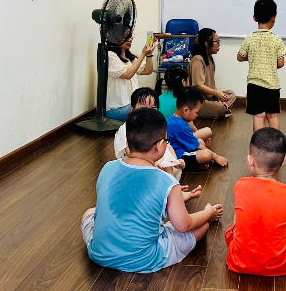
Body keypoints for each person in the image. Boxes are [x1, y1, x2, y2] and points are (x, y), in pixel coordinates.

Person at [81, 108, 223, 273]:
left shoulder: (107, 167)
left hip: (100, 253)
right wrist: (208, 213)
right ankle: (207, 215)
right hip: (144, 259)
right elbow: (185, 225)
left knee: (89, 213)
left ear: (127, 142)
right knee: (202, 226)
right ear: (160, 146)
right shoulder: (167, 181)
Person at [225, 128, 286, 276]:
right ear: (283, 161)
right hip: (281, 266)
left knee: (236, 225)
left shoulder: (241, 185)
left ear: (250, 160)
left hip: (239, 263)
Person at [113, 87, 186, 182]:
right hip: (135, 164)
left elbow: (167, 146)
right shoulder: (127, 128)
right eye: (143, 108)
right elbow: (130, 153)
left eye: (153, 108)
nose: (148, 113)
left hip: (158, 162)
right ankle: (171, 184)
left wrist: (175, 160)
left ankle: (172, 183)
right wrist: (150, 164)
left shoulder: (157, 127)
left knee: (166, 159)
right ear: (132, 109)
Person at [238, 0, 286, 132]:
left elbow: (239, 57)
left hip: (254, 85)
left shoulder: (249, 39)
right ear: (274, 18)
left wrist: (253, 58)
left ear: (254, 18)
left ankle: (257, 144)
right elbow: (281, 63)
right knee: (272, 116)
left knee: (258, 116)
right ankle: (276, 144)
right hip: (272, 85)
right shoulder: (277, 40)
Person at [166, 88, 229, 170]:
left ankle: (198, 163)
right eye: (196, 112)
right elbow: (199, 147)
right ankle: (194, 165)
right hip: (178, 155)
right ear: (185, 110)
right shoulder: (180, 126)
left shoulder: (173, 119)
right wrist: (216, 156)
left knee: (200, 142)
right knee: (207, 154)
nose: (197, 115)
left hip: (178, 149)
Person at [106, 31, 155, 122]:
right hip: (116, 107)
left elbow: (147, 70)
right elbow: (128, 74)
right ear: (115, 37)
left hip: (132, 103)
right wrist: (143, 54)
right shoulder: (110, 55)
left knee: (153, 108)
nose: (130, 39)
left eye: (131, 36)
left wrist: (149, 54)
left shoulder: (130, 58)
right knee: (148, 114)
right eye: (126, 36)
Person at [190, 28, 236, 119]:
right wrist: (216, 93)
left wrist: (219, 96)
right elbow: (198, 85)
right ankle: (220, 109)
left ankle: (221, 107)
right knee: (219, 108)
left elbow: (212, 85)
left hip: (210, 98)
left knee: (231, 95)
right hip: (198, 101)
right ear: (207, 44)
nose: (219, 45)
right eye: (217, 41)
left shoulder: (210, 59)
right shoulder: (197, 60)